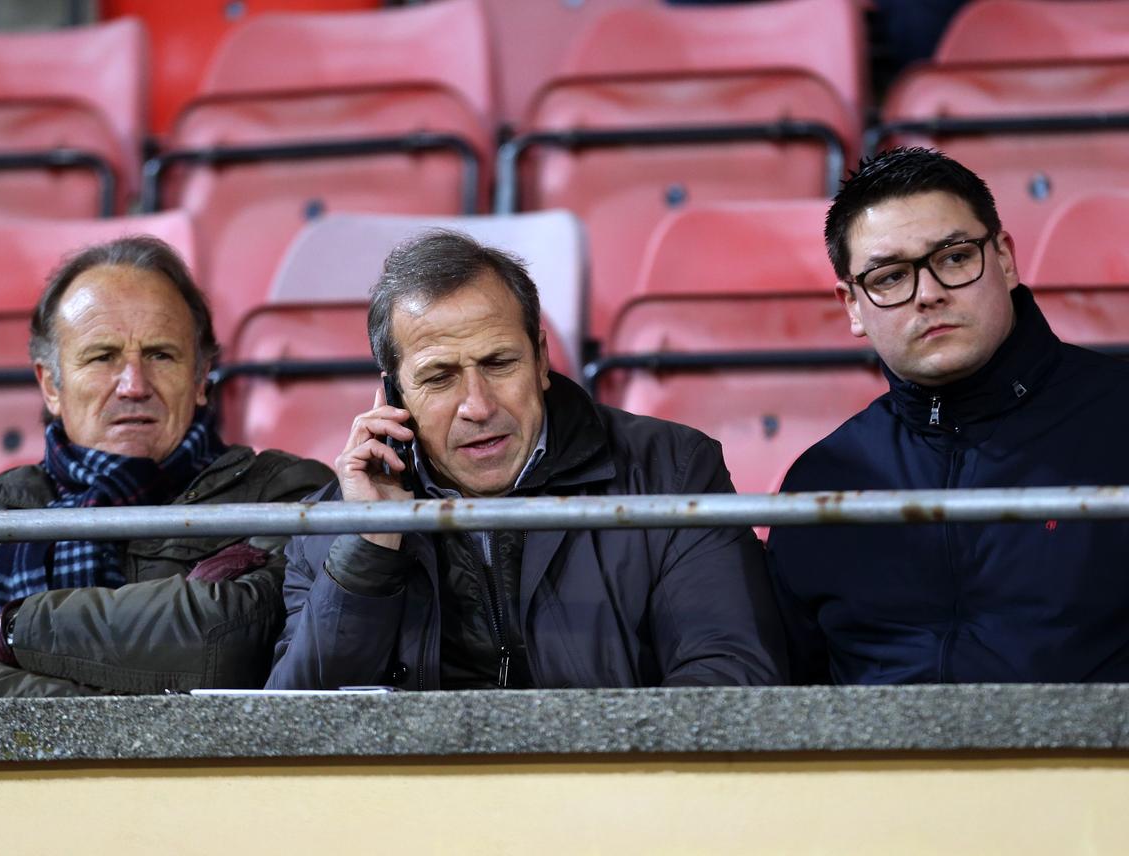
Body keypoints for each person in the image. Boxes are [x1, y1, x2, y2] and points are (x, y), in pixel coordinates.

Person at [267, 230, 786, 690]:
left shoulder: (670, 471)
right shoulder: (332, 526)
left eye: (499, 363)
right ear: (393, 394)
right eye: (439, 377)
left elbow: (733, 677)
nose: (478, 406)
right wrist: (371, 545)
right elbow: (294, 731)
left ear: (540, 359)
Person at [0, 236, 332, 697]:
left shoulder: (285, 493)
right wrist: (114, 718)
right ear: (51, 385)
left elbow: (226, 643)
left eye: (161, 355)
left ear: (200, 378)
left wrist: (13, 629)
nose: (133, 385)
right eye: (102, 357)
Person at [766, 146, 1129, 684]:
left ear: (1004, 258)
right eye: (889, 277)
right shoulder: (824, 481)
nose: (928, 294)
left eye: (955, 257)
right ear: (852, 306)